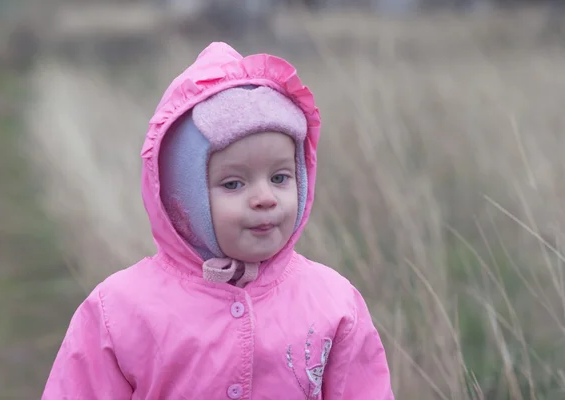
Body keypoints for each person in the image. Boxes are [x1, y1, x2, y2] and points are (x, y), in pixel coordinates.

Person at [42, 41, 394, 399]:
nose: (265, 198)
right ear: (184, 198)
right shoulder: (120, 310)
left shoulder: (332, 302)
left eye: (280, 177)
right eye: (234, 183)